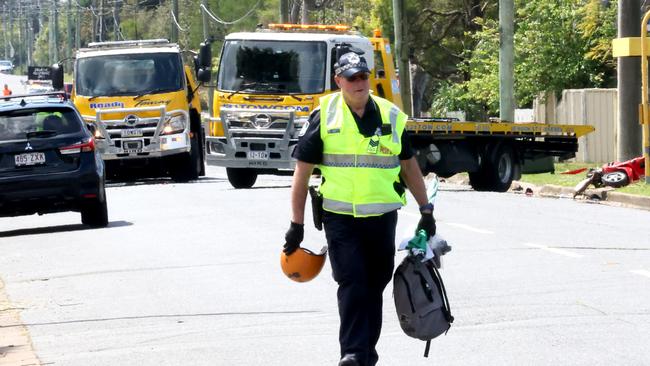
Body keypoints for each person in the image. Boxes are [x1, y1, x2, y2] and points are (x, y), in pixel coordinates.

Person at [283, 52, 437, 366]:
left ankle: (365, 353)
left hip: (382, 219)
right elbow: (302, 174)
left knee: (376, 283)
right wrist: (296, 224)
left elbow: (409, 166)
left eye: (363, 76)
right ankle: (352, 352)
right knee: (352, 281)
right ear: (338, 81)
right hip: (341, 219)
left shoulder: (391, 116)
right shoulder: (325, 115)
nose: (359, 83)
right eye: (351, 78)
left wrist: (426, 210)